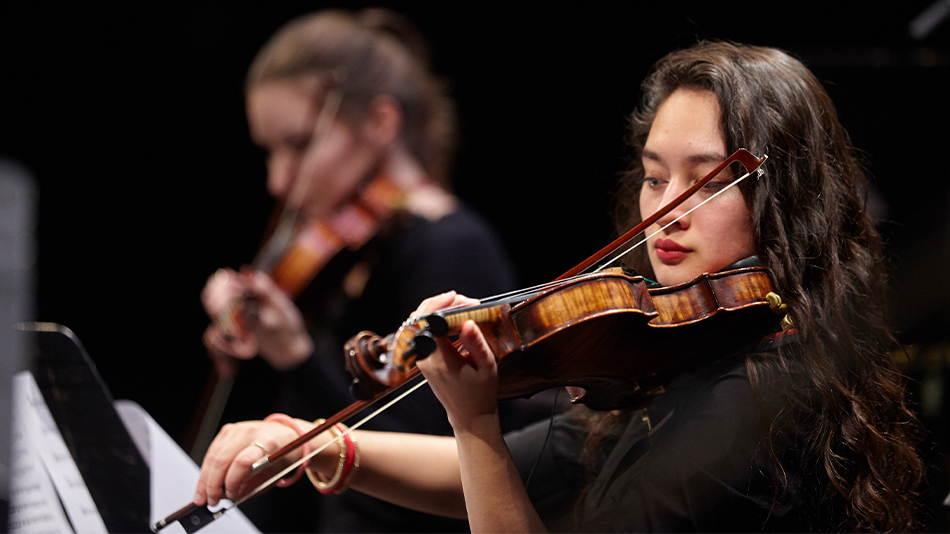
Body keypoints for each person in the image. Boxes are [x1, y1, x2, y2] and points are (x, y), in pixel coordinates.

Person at [193, 41, 925, 532]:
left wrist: (476, 419)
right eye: (654, 177)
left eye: (708, 180)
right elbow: (523, 464)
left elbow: (491, 462)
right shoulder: (679, 357)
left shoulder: (760, 406)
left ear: (785, 195)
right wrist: (323, 449)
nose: (666, 208)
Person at [195, 8, 546, 533]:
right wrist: (254, 333)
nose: (277, 180)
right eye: (270, 151)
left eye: (299, 145)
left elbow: (420, 472)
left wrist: (296, 355)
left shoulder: (451, 248)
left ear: (381, 123)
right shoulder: (355, 250)